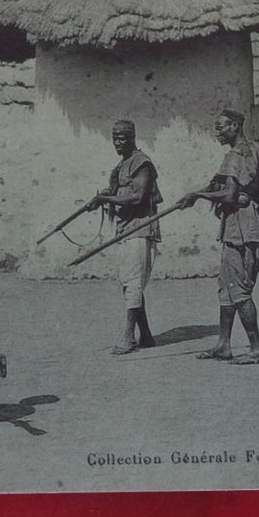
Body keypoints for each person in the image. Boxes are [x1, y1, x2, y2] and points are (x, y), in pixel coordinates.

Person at [178, 108, 259, 365]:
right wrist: (251, 189)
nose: (217, 132)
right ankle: (223, 344)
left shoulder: (234, 156)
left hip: (241, 232)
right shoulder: (255, 148)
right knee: (227, 288)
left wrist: (197, 196)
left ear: (234, 126)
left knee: (239, 291)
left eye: (221, 127)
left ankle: (258, 349)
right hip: (246, 228)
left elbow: (231, 195)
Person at [88, 119, 163, 355]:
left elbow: (138, 196)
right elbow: (119, 191)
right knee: (131, 284)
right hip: (125, 228)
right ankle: (146, 335)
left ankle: (129, 337)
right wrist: (101, 197)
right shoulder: (122, 165)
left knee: (132, 284)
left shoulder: (143, 164)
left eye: (122, 138)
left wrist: (106, 200)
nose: (118, 143)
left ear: (132, 138)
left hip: (140, 229)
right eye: (115, 138)